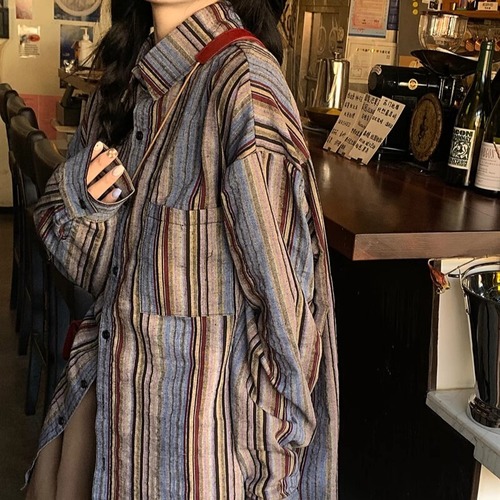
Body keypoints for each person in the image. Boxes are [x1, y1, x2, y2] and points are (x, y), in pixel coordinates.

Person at [25, 0, 339, 498]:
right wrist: (85, 201)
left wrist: (271, 483)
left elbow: (289, 331)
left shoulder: (244, 86)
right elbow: (96, 273)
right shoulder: (124, 80)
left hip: (190, 463)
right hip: (102, 426)